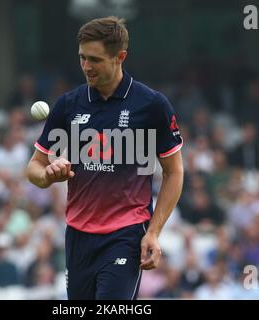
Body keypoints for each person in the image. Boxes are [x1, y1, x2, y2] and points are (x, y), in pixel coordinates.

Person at [27, 16, 184, 300]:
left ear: (120, 57)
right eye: (82, 58)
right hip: (78, 237)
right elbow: (34, 168)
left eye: (95, 60)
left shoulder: (151, 105)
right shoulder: (67, 105)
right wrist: (49, 174)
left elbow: (174, 172)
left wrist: (153, 232)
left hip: (125, 234)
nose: (86, 67)